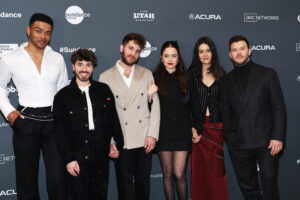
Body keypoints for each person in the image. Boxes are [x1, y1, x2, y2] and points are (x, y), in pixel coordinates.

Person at [0, 13, 69, 200]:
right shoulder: (10, 58)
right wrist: (9, 112)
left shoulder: (57, 59)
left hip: (54, 123)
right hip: (25, 122)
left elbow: (63, 91)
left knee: (58, 179)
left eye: (48, 33)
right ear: (28, 30)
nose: (43, 37)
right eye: (38, 31)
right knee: (26, 182)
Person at [222, 35, 286, 200]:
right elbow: (226, 113)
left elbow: (278, 107)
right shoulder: (226, 81)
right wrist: (230, 139)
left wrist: (277, 137)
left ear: (249, 51)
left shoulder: (267, 74)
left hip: (267, 143)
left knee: (269, 185)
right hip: (239, 144)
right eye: (234, 50)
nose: (238, 53)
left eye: (242, 49)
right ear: (229, 55)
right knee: (248, 187)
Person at [53, 49, 123, 200]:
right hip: (77, 154)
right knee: (79, 195)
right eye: (80, 64)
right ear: (73, 67)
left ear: (93, 67)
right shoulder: (62, 96)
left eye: (88, 65)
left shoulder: (103, 90)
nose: (84, 69)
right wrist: (69, 159)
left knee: (100, 195)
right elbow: (60, 132)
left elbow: (113, 120)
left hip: (101, 153)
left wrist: (114, 142)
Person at [99, 33, 160, 200]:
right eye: (130, 48)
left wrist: (152, 134)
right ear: (122, 48)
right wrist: (111, 141)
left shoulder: (146, 73)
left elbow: (155, 106)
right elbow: (105, 115)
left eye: (138, 51)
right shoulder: (105, 77)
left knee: (143, 185)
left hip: (143, 137)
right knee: (124, 186)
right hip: (121, 138)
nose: (133, 53)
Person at [148, 41, 191, 200]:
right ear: (161, 58)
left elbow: (194, 106)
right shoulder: (153, 77)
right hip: (162, 132)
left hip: (182, 132)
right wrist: (149, 96)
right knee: (167, 173)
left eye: (173, 56)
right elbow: (145, 108)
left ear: (178, 58)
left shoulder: (187, 77)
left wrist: (196, 128)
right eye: (166, 56)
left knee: (179, 173)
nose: (170, 59)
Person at [188, 37, 228, 200]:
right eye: (201, 51)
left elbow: (226, 104)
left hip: (217, 128)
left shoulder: (222, 75)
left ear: (213, 53)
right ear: (197, 54)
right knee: (198, 172)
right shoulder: (190, 76)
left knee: (216, 172)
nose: (205, 54)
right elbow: (187, 105)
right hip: (196, 130)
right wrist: (192, 127)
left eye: (208, 50)